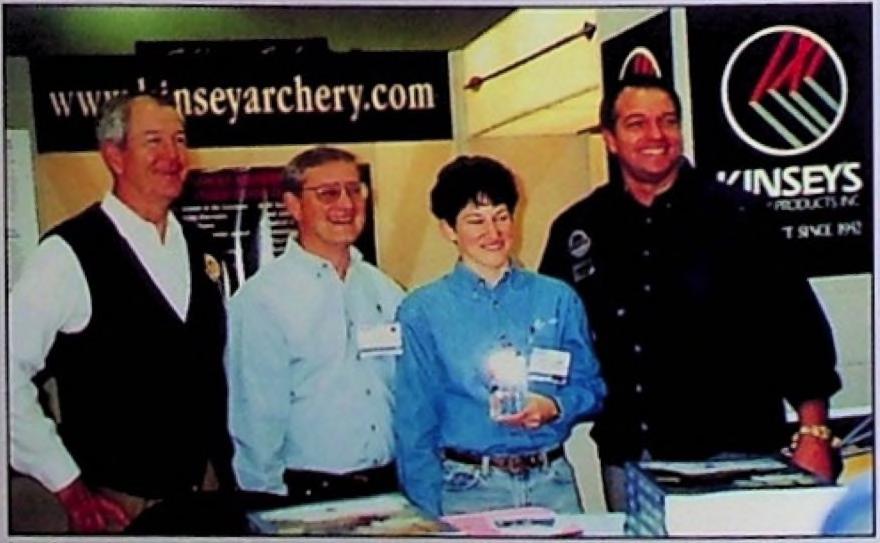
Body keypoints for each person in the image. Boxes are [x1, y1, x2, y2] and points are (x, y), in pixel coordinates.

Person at [539, 75, 841, 512]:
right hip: (631, 461)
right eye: (637, 123)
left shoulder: (741, 217)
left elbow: (799, 333)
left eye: (668, 121)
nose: (656, 135)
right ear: (610, 138)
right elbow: (554, 341)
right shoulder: (578, 228)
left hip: (737, 455)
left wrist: (814, 433)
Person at [9, 93, 234, 533]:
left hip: (207, 497)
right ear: (114, 155)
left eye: (179, 139)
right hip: (120, 507)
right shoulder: (68, 254)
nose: (172, 155)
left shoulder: (202, 250)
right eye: (153, 141)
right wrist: (64, 482)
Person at [394, 155, 607, 517]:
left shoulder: (557, 298)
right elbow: (414, 422)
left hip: (552, 486)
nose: (492, 233)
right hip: (467, 491)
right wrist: (426, 514)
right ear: (448, 229)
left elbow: (592, 388)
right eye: (475, 221)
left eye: (501, 217)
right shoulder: (422, 311)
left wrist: (554, 407)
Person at [225, 146, 404, 503]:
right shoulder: (262, 300)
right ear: (293, 205)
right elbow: (255, 419)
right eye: (328, 193)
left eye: (354, 190)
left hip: (389, 488)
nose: (346, 204)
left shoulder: (386, 291)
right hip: (306, 496)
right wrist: (266, 505)